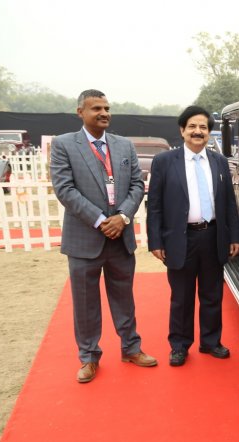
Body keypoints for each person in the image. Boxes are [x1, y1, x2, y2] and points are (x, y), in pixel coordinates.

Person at [50, 89, 156, 383]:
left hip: (120, 236)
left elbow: (137, 185)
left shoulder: (124, 146)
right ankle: (88, 357)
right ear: (80, 112)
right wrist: (100, 221)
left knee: (124, 297)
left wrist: (122, 217)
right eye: (96, 108)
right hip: (84, 239)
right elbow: (65, 190)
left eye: (107, 107)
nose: (104, 113)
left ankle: (131, 348)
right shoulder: (64, 145)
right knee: (85, 303)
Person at [147, 105, 239, 367]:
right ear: (182, 130)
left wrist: (235, 235)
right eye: (192, 126)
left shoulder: (219, 162)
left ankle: (211, 342)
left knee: (212, 294)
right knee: (181, 296)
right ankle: (179, 345)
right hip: (180, 239)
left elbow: (229, 204)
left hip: (213, 236)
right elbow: (154, 205)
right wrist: (155, 241)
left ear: (209, 133)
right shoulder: (165, 162)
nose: (197, 131)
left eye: (203, 127)